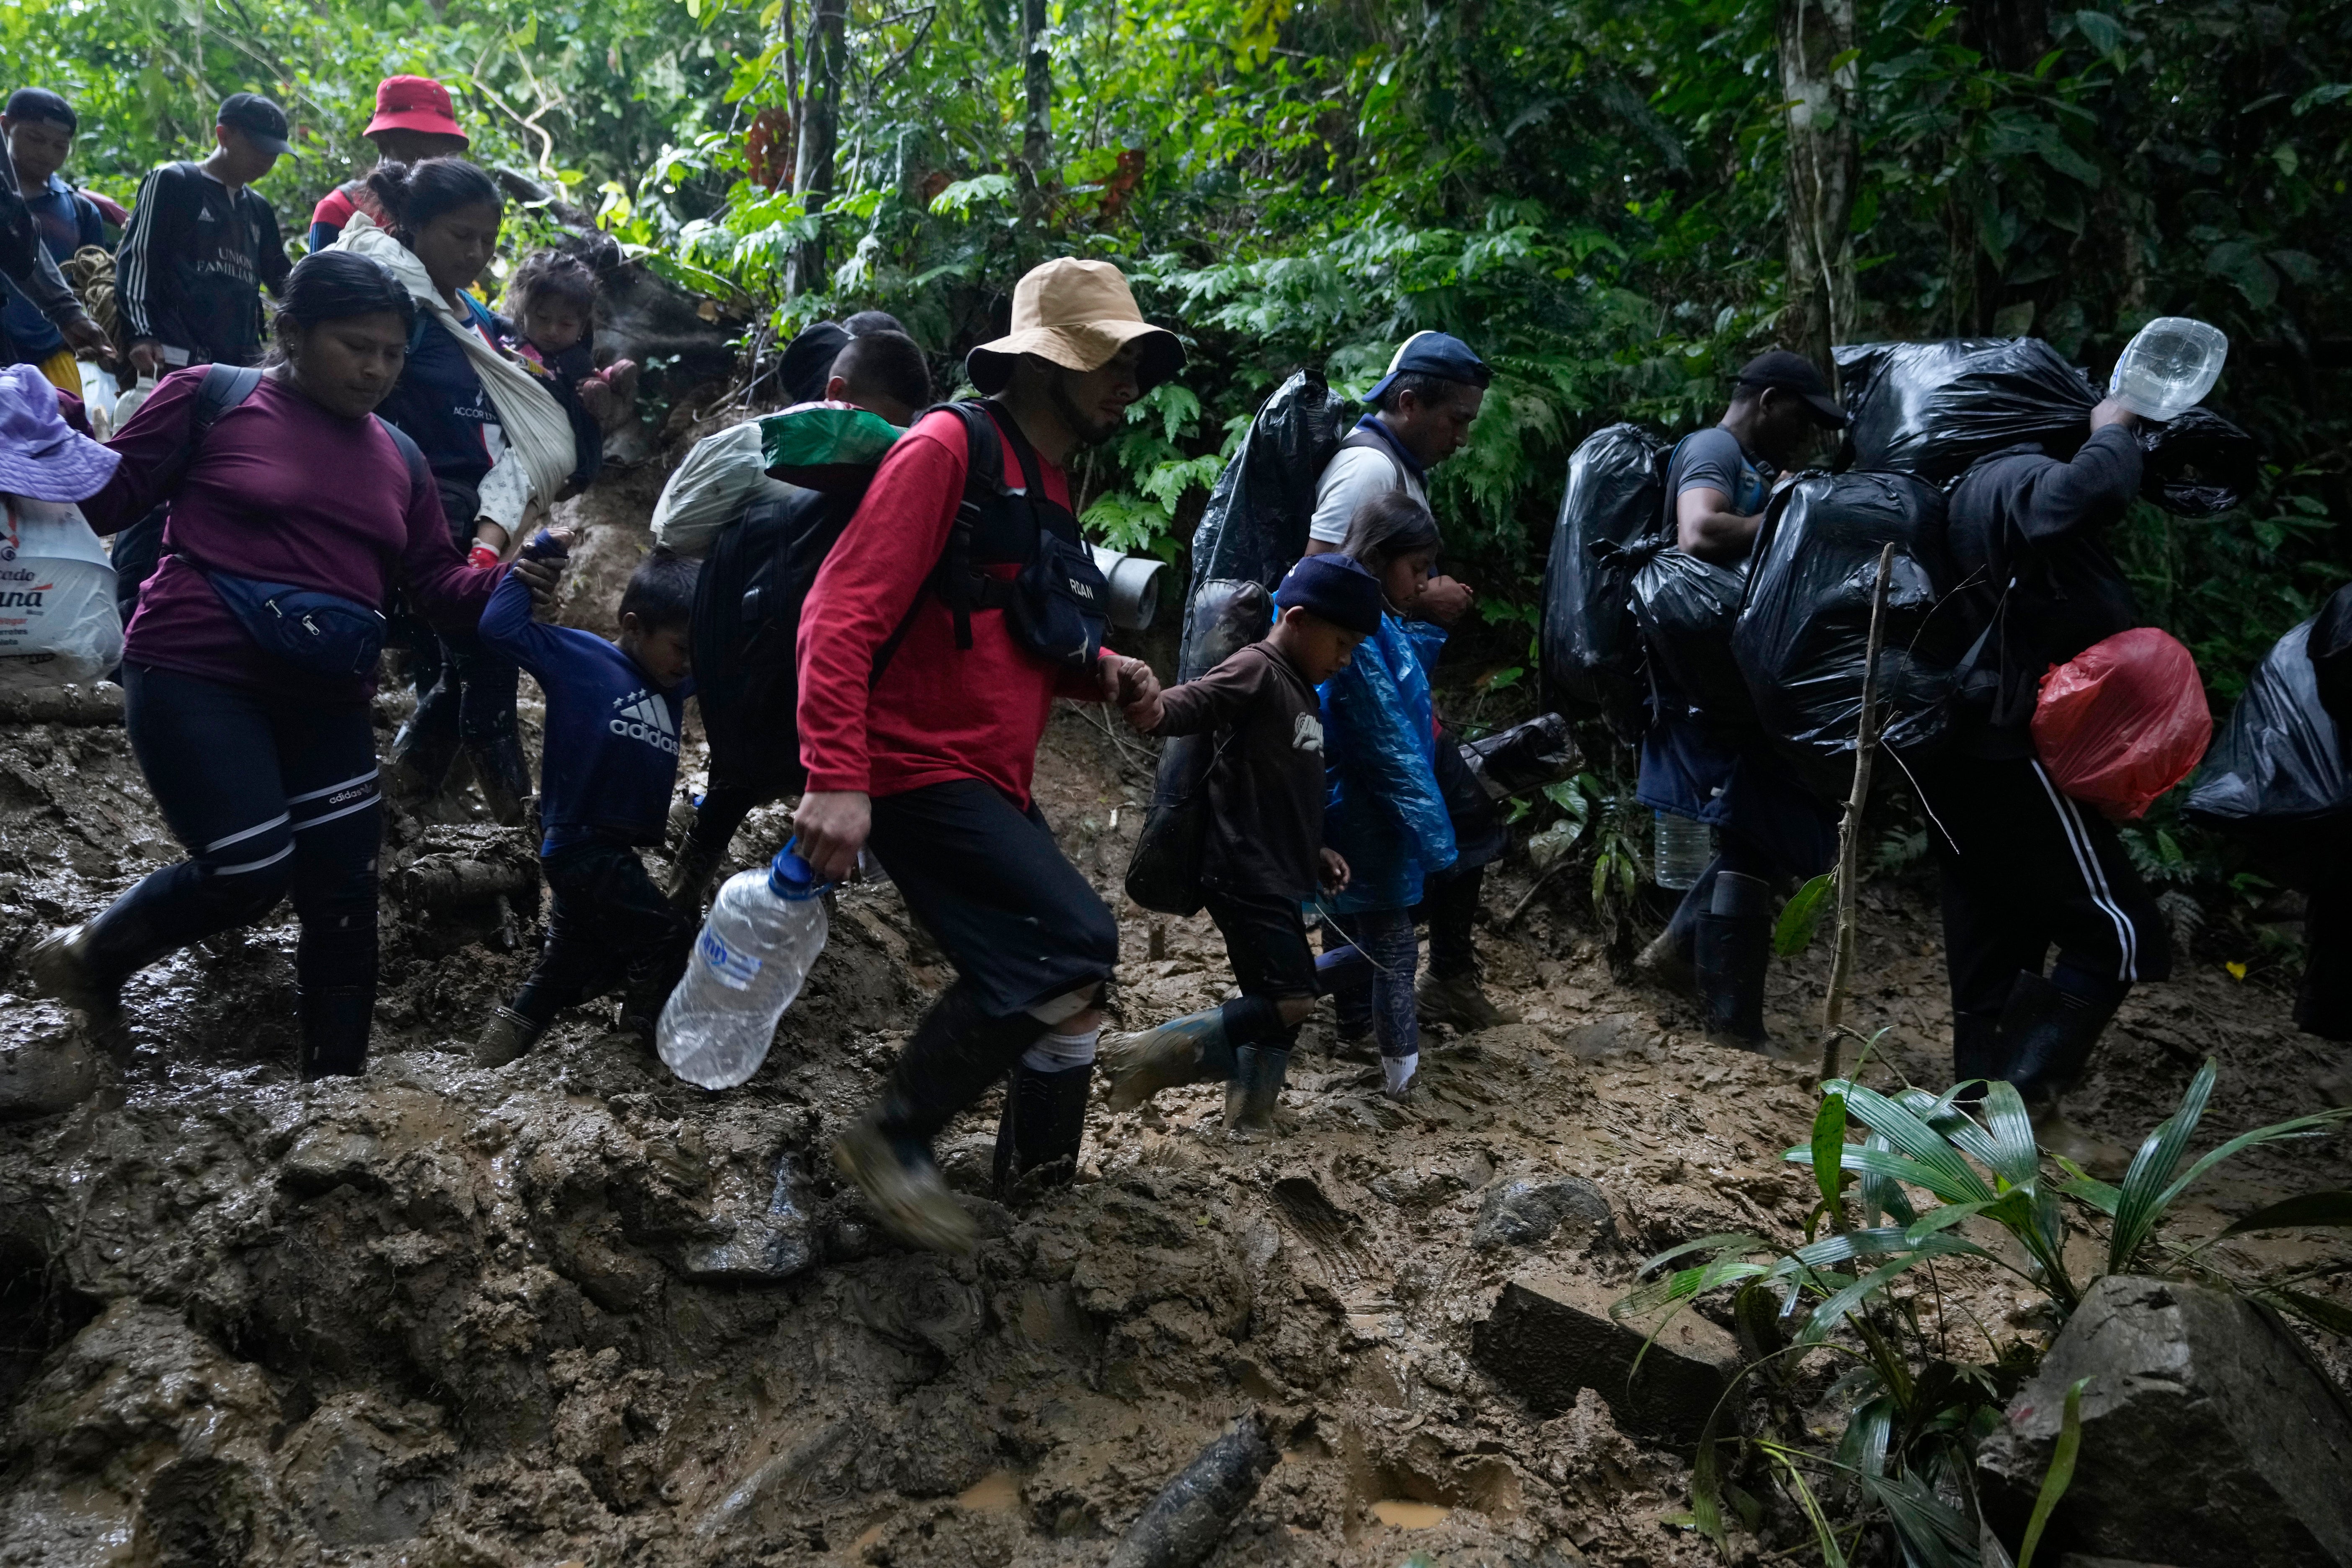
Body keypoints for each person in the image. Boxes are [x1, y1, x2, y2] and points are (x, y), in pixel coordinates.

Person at [20, 251, 525, 1079]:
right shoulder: (213, 397)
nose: (375, 369)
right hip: (196, 672)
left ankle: (337, 1094)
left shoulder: (400, 456)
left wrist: (512, 582)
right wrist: (52, 426)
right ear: (292, 334)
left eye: (393, 354)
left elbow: (436, 586)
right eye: (355, 345)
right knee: (252, 869)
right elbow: (110, 501)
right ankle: (87, 960)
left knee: (346, 895)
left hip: (328, 696)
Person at [792, 256, 1174, 1253]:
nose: (1128, 381)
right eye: (1107, 359)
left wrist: (1105, 670)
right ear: (1042, 361)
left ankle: (1035, 1193)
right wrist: (835, 773)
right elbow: (838, 612)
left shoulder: (1044, 480)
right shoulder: (944, 448)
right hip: (914, 765)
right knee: (1072, 941)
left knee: (1073, 991)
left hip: (986, 773)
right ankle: (892, 1135)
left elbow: (1019, 627)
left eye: (1135, 359)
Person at [1908, 395, 2170, 1170]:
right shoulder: (2011, 472)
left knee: (1995, 941)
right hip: (2005, 750)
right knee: (2121, 929)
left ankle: (1977, 1120)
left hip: (1953, 748)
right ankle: (2024, 1110)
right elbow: (2074, 498)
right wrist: (2115, 429)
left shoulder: (1957, 489)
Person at [335, 157, 598, 823]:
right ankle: (515, 817)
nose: (479, 252)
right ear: (416, 227)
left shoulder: (477, 320)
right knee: (486, 665)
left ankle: (403, 790)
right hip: (420, 520)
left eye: (489, 238)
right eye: (462, 236)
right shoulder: (402, 308)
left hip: (480, 523)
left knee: (466, 670)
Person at [1100, 553, 1380, 1136]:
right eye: (1342, 642)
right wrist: (1156, 708)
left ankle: (1250, 1119)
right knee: (1293, 998)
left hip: (1278, 871)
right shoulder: (1257, 669)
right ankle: (1145, 1057)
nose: (1345, 659)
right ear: (1298, 620)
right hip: (1244, 871)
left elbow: (1288, 795)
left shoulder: (1302, 692)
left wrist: (1316, 852)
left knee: (1277, 1000)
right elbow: (1199, 699)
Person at [668, 328, 934, 912]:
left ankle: (740, 892)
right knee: (730, 792)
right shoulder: (771, 471)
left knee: (734, 794)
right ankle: (680, 903)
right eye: (880, 424)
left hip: (801, 703)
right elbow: (683, 540)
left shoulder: (899, 490)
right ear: (836, 395)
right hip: (758, 682)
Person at [1631, 350, 1849, 1052]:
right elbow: (1698, 531)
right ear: (1769, 400)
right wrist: (1797, 519)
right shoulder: (1713, 448)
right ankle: (1731, 1023)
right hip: (1705, 686)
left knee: (1769, 829)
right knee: (1754, 831)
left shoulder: (1756, 465)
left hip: (1743, 679)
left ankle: (1681, 955)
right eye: (1802, 417)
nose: (1807, 434)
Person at [1300, 330, 1510, 1030]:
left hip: (1388, 692)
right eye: (1456, 420)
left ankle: (1377, 1003)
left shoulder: (1398, 467)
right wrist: (1426, 598)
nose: (1461, 438)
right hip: (1359, 701)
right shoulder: (1368, 471)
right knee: (1421, 837)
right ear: (1410, 402)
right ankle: (1387, 1000)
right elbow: (1319, 582)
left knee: (1386, 850)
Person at [472, 544, 698, 1066]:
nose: (689, 664)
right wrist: (533, 561)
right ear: (634, 625)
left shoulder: (674, 682)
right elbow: (497, 630)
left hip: (606, 850)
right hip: (581, 844)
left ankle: (484, 1069)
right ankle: (642, 1045)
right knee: (669, 933)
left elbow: (739, 660)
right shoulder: (580, 657)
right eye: (681, 648)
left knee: (559, 969)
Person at [108, 93, 297, 621]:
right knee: (154, 480)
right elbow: (139, 257)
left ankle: (195, 602)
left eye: (274, 153)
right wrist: (141, 331)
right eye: (258, 148)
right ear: (224, 134)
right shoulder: (174, 182)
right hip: (172, 356)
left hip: (235, 369)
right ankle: (127, 608)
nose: (266, 161)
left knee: (215, 479)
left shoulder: (256, 210)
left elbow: (279, 277)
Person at [1315, 491, 1460, 1099]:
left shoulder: (1374, 623)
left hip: (1366, 813)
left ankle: (1273, 985)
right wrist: (1437, 839)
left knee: (1379, 946)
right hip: (1366, 816)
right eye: (1416, 568)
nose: (1423, 581)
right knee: (1395, 947)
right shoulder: (1360, 635)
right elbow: (1386, 745)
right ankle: (1401, 1082)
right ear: (1378, 559)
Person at [0, 90, 107, 392]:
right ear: (6, 126)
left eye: (59, 146)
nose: (47, 153)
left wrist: (71, 318)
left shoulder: (81, 211)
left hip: (52, 353)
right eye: (35, 139)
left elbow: (92, 289)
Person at [307, 76, 469, 253]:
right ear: (383, 143)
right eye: (420, 158)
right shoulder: (339, 210)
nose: (434, 171)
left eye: (443, 161)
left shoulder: (450, 211)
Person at [503, 247, 637, 431]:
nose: (552, 331)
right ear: (523, 313)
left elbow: (586, 380)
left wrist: (590, 390)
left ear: (582, 327)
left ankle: (614, 381)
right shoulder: (511, 348)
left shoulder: (576, 358)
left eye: (566, 324)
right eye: (542, 318)